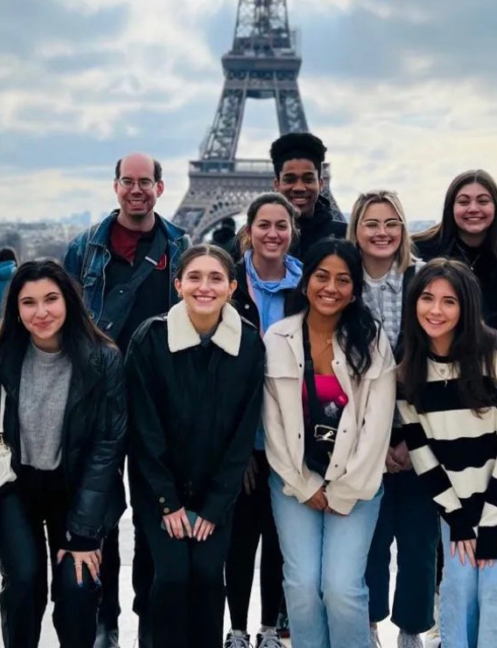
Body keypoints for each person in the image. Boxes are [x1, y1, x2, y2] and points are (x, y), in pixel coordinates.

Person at [0, 260, 126, 648]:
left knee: (77, 587)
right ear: (15, 308)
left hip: (76, 487)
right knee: (24, 583)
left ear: (69, 302)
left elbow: (106, 448)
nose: (41, 312)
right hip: (15, 486)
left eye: (51, 299)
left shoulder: (103, 359)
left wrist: (83, 533)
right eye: (29, 302)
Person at [63, 152, 189, 648]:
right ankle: (105, 617)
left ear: (160, 187)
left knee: (156, 509)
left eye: (145, 182)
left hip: (159, 397)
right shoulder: (83, 248)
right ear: (115, 186)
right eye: (128, 182)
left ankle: (148, 615)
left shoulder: (180, 246)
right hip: (100, 394)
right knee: (101, 511)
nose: (136, 190)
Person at [399, 259, 497, 648]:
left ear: (466, 307)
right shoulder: (409, 370)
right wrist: (458, 516)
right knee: (458, 588)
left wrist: (492, 521)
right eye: (427, 299)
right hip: (460, 506)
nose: (436, 310)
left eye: (449, 301)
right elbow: (421, 452)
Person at [125, 245, 265, 648]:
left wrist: (215, 504)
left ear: (233, 287)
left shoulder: (250, 345)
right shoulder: (150, 339)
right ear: (178, 284)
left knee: (207, 575)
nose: (205, 287)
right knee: (169, 575)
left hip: (215, 494)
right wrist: (168, 502)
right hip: (159, 490)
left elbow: (243, 434)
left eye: (216, 278)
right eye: (195, 277)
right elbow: (144, 428)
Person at [264, 238, 396, 648]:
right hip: (294, 482)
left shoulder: (371, 340)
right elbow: (272, 424)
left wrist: (344, 489)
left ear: (355, 289)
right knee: (301, 588)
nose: (331, 287)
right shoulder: (277, 338)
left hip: (356, 483)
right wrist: (303, 484)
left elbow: (377, 427)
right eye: (322, 276)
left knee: (341, 588)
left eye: (343, 279)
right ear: (305, 282)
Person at [346, 191, 438, 648]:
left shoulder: (424, 281)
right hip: (361, 436)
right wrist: (376, 443)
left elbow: (439, 363)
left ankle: (412, 627)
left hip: (420, 431)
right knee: (371, 540)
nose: (382, 232)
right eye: (371, 223)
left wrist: (408, 439)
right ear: (356, 230)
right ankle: (369, 621)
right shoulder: (341, 283)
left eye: (391, 223)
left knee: (420, 542)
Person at [225, 193, 302, 648]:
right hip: (243, 439)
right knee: (241, 538)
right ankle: (237, 628)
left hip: (288, 438)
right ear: (248, 230)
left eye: (281, 225)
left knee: (277, 540)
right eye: (264, 225)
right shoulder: (228, 285)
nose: (272, 234)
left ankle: (270, 628)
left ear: (292, 232)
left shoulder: (307, 288)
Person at [413, 169, 497, 333]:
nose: (473, 208)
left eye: (483, 201)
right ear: (450, 207)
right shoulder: (421, 252)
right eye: (463, 202)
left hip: (493, 354)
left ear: (496, 207)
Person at [269, 132, 346, 260]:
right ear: (277, 184)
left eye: (308, 179)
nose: (299, 187)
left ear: (321, 183)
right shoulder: (252, 237)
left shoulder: (344, 236)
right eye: (290, 180)